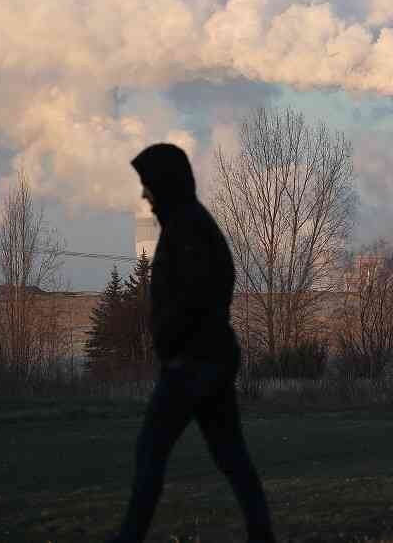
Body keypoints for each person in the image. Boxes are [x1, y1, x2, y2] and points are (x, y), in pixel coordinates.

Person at [111, 143, 275, 543]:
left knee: (151, 451)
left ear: (165, 185)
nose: (144, 195)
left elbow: (203, 294)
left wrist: (178, 345)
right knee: (230, 456)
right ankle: (262, 535)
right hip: (205, 360)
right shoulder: (188, 225)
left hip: (193, 365)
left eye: (148, 185)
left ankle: (129, 537)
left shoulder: (189, 230)